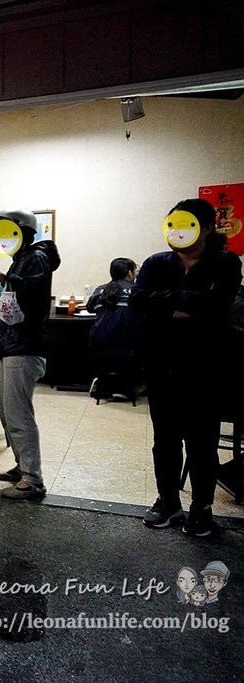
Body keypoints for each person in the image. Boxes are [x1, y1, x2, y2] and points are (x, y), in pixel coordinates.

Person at [129, 197, 242, 537]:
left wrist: (163, 302)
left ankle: (201, 508)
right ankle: (168, 501)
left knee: (201, 441)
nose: (177, 231)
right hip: (161, 364)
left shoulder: (225, 262)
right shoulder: (156, 263)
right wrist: (182, 305)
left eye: (187, 224)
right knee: (164, 439)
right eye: (173, 224)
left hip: (206, 367)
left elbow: (218, 304)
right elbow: (136, 300)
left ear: (207, 228)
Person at [0, 209, 61, 500]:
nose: (1, 239)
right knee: (6, 411)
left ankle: (33, 478)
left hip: (23, 347)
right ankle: (21, 466)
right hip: (10, 345)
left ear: (23, 232)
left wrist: (4, 278)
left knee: (19, 415)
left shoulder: (36, 258)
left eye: (5, 233)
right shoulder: (23, 259)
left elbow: (32, 293)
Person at [85, 257, 143, 399]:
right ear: (130, 273)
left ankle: (101, 382)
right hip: (130, 348)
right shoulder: (137, 291)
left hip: (100, 347)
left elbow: (89, 308)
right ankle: (134, 385)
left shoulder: (101, 290)